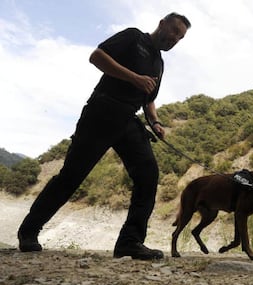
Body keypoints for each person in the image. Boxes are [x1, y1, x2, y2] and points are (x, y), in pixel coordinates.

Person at [17, 12, 191, 260]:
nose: (175, 39)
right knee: (71, 175)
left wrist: (155, 121)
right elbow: (96, 56)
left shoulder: (159, 63)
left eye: (180, 37)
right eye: (174, 31)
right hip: (102, 110)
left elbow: (149, 98)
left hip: (129, 120)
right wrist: (134, 77)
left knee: (148, 175)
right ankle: (29, 231)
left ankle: (129, 242)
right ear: (162, 24)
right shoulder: (133, 37)